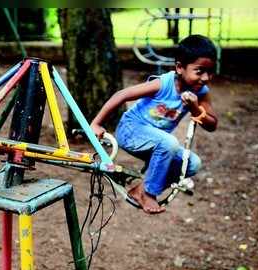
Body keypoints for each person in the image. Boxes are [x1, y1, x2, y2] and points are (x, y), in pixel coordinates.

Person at [90, 34, 218, 215]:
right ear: (180, 67)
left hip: (157, 142)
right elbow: (122, 95)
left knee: (192, 164)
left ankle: (141, 189)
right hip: (131, 131)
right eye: (199, 71)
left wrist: (195, 108)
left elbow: (212, 124)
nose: (205, 78)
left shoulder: (201, 92)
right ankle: (150, 193)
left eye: (210, 72)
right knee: (169, 142)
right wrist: (95, 124)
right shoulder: (163, 84)